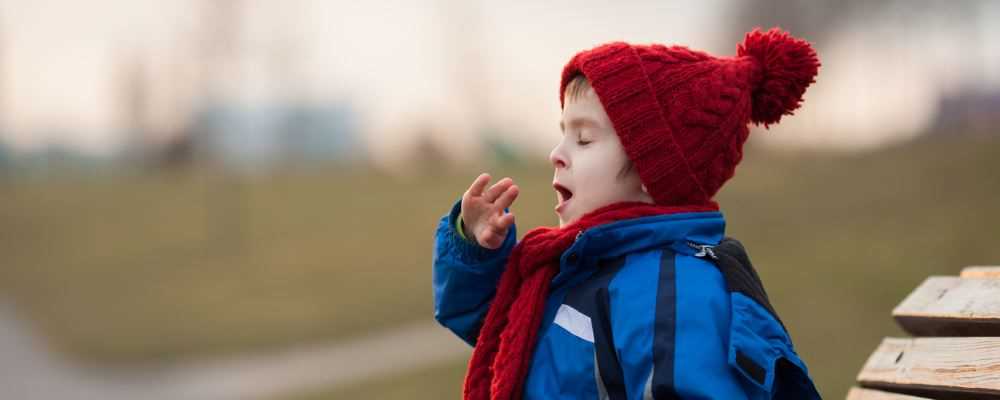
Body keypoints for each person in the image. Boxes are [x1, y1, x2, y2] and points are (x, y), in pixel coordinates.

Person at [433, 27, 822, 399]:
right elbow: (496, 331)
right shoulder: (576, 265)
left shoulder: (679, 294)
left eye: (584, 139)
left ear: (653, 171)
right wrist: (476, 251)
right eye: (563, 132)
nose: (557, 153)